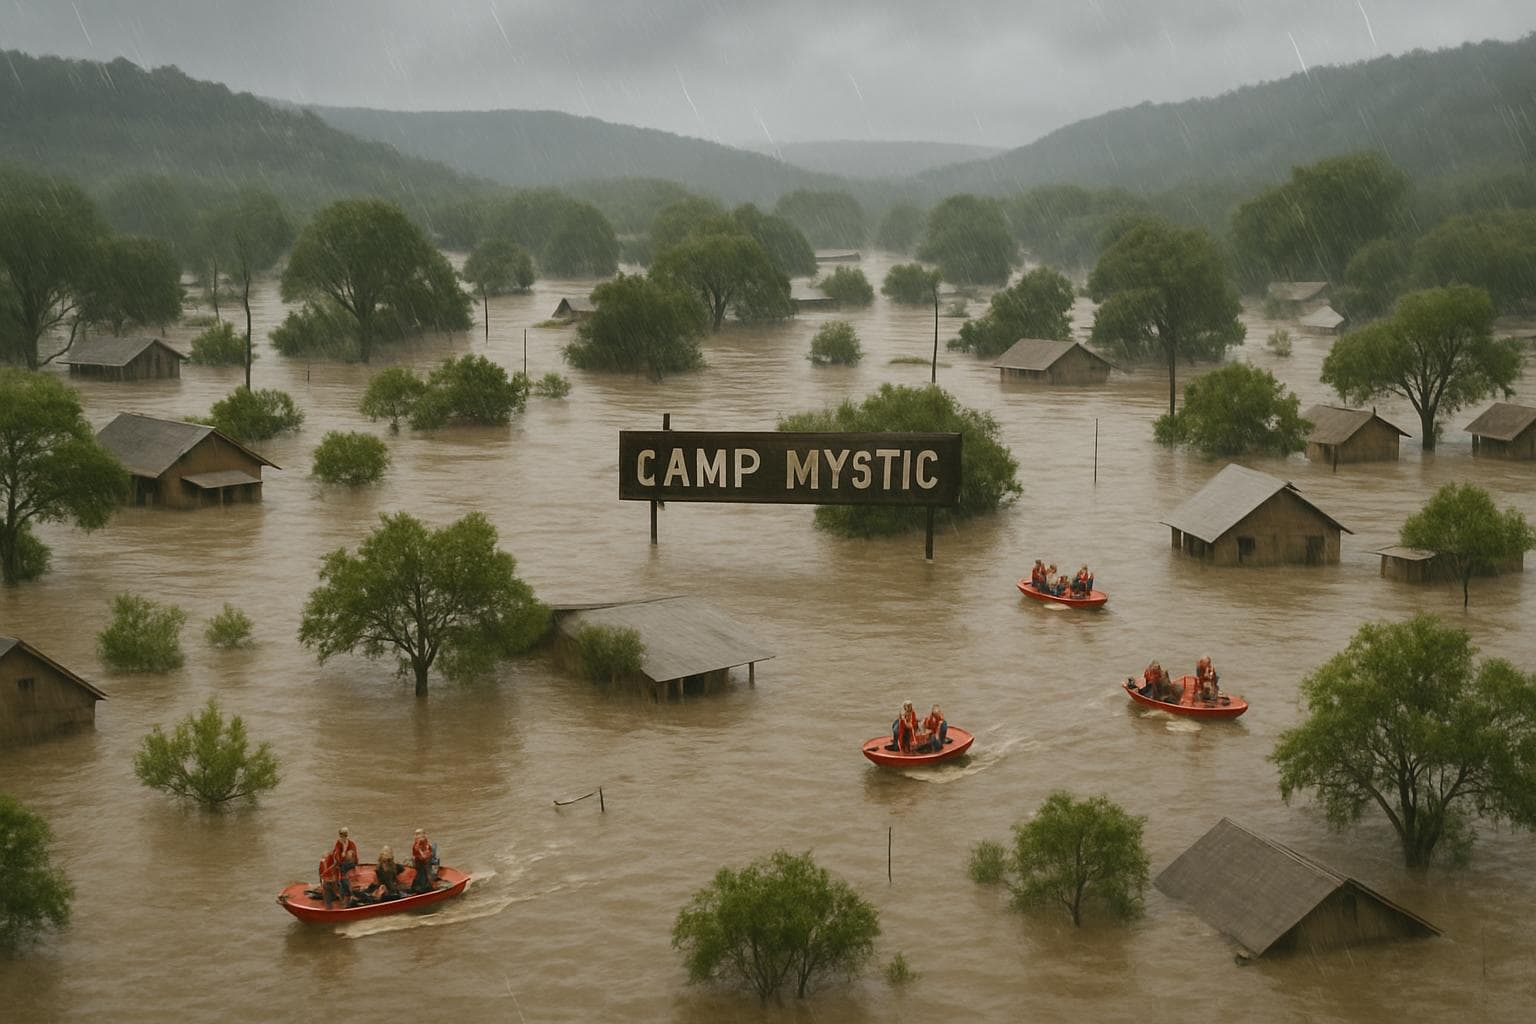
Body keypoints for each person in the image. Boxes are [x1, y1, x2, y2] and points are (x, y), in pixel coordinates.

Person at [331, 827, 359, 903]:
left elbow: (355, 854)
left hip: (348, 863)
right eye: (343, 834)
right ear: (340, 835)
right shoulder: (338, 844)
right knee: (341, 872)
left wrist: (355, 862)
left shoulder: (350, 843)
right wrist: (339, 861)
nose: (344, 836)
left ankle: (347, 894)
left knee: (343, 875)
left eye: (345, 834)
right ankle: (341, 890)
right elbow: (336, 854)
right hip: (342, 863)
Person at [410, 828, 439, 893]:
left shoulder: (426, 842)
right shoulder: (416, 846)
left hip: (427, 860)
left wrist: (429, 853)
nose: (420, 836)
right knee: (422, 876)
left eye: (422, 834)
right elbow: (421, 855)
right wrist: (426, 854)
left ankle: (431, 879)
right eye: (417, 834)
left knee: (434, 846)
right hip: (420, 863)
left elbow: (430, 850)